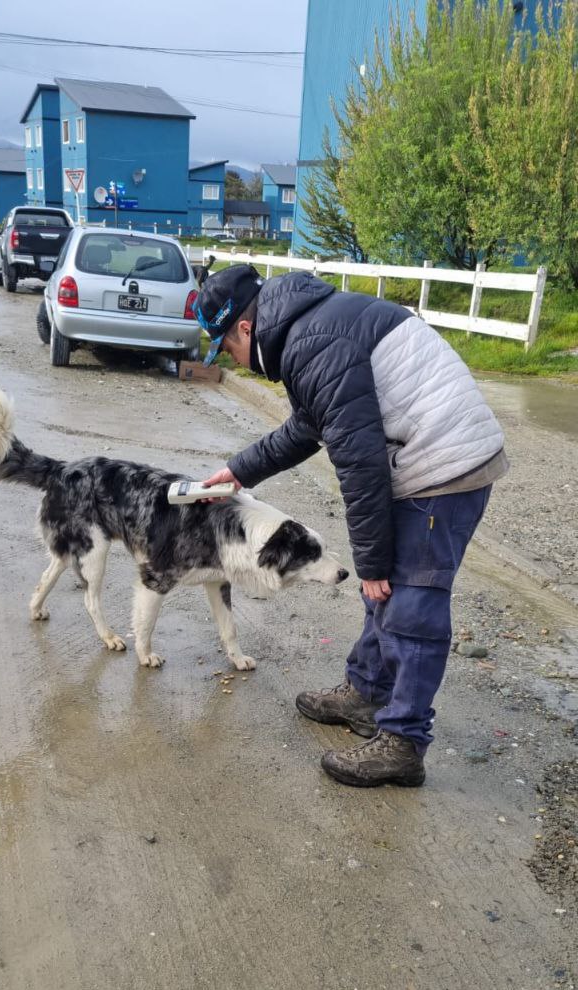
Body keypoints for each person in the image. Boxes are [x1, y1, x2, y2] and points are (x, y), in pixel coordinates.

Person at [194, 264, 508, 788]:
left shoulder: (310, 343)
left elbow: (359, 463)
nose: (233, 361)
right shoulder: (308, 330)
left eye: (226, 349)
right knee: (385, 592)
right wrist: (239, 470)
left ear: (244, 329)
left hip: (447, 463)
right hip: (425, 452)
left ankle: (403, 744)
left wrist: (372, 563)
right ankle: (365, 693)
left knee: (410, 604)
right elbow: (309, 425)